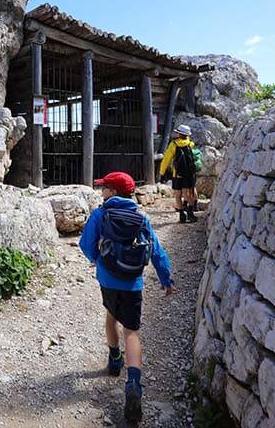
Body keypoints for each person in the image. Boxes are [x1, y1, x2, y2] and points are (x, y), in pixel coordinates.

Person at [79, 171, 175, 422]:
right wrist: (166, 278)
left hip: (108, 279)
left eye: (105, 188)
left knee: (111, 317)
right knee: (132, 331)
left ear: (112, 192)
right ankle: (133, 383)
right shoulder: (141, 217)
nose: (102, 192)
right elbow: (156, 251)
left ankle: (114, 360)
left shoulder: (101, 214)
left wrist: (98, 260)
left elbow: (86, 244)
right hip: (133, 282)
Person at [159, 124, 198, 223]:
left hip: (177, 174)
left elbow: (166, 159)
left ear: (179, 133)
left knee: (177, 194)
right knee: (187, 193)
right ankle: (190, 213)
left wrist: (162, 172)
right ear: (187, 135)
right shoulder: (190, 144)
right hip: (188, 174)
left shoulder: (174, 145)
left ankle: (181, 215)